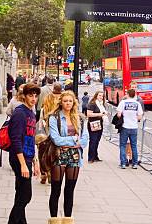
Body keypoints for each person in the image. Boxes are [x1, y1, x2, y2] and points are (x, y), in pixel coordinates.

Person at [48, 91, 89, 222]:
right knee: (56, 190)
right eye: (65, 101)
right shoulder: (54, 117)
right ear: (61, 102)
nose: (68, 103)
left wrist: (73, 143)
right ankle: (54, 220)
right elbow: (56, 140)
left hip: (75, 157)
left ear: (74, 102)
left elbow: (84, 140)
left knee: (70, 190)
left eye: (70, 101)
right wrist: (74, 140)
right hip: (59, 155)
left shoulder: (80, 118)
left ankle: (67, 219)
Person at [8, 83, 41, 224]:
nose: (34, 99)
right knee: (26, 195)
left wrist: (36, 161)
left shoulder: (31, 113)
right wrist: (23, 164)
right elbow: (15, 139)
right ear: (24, 96)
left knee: (21, 193)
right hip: (19, 157)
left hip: (28, 156)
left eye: (35, 96)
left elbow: (31, 138)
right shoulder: (20, 113)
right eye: (30, 95)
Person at [38, 82, 63, 185]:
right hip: (58, 131)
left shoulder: (48, 98)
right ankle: (51, 172)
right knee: (54, 154)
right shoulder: (63, 99)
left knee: (42, 152)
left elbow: (41, 114)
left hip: (46, 130)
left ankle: (43, 173)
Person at [117, 88, 143, 169]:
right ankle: (135, 164)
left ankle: (123, 163)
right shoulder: (137, 104)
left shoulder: (123, 102)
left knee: (123, 145)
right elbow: (139, 117)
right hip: (134, 127)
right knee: (134, 146)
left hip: (125, 126)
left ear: (127, 94)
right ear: (134, 95)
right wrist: (135, 118)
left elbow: (118, 114)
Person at [86, 91, 107, 163]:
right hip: (93, 124)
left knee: (97, 140)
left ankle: (95, 156)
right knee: (93, 140)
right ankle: (90, 158)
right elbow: (88, 114)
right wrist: (100, 114)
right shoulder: (92, 104)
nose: (101, 97)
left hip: (100, 123)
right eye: (100, 95)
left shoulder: (101, 104)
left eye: (102, 96)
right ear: (96, 96)